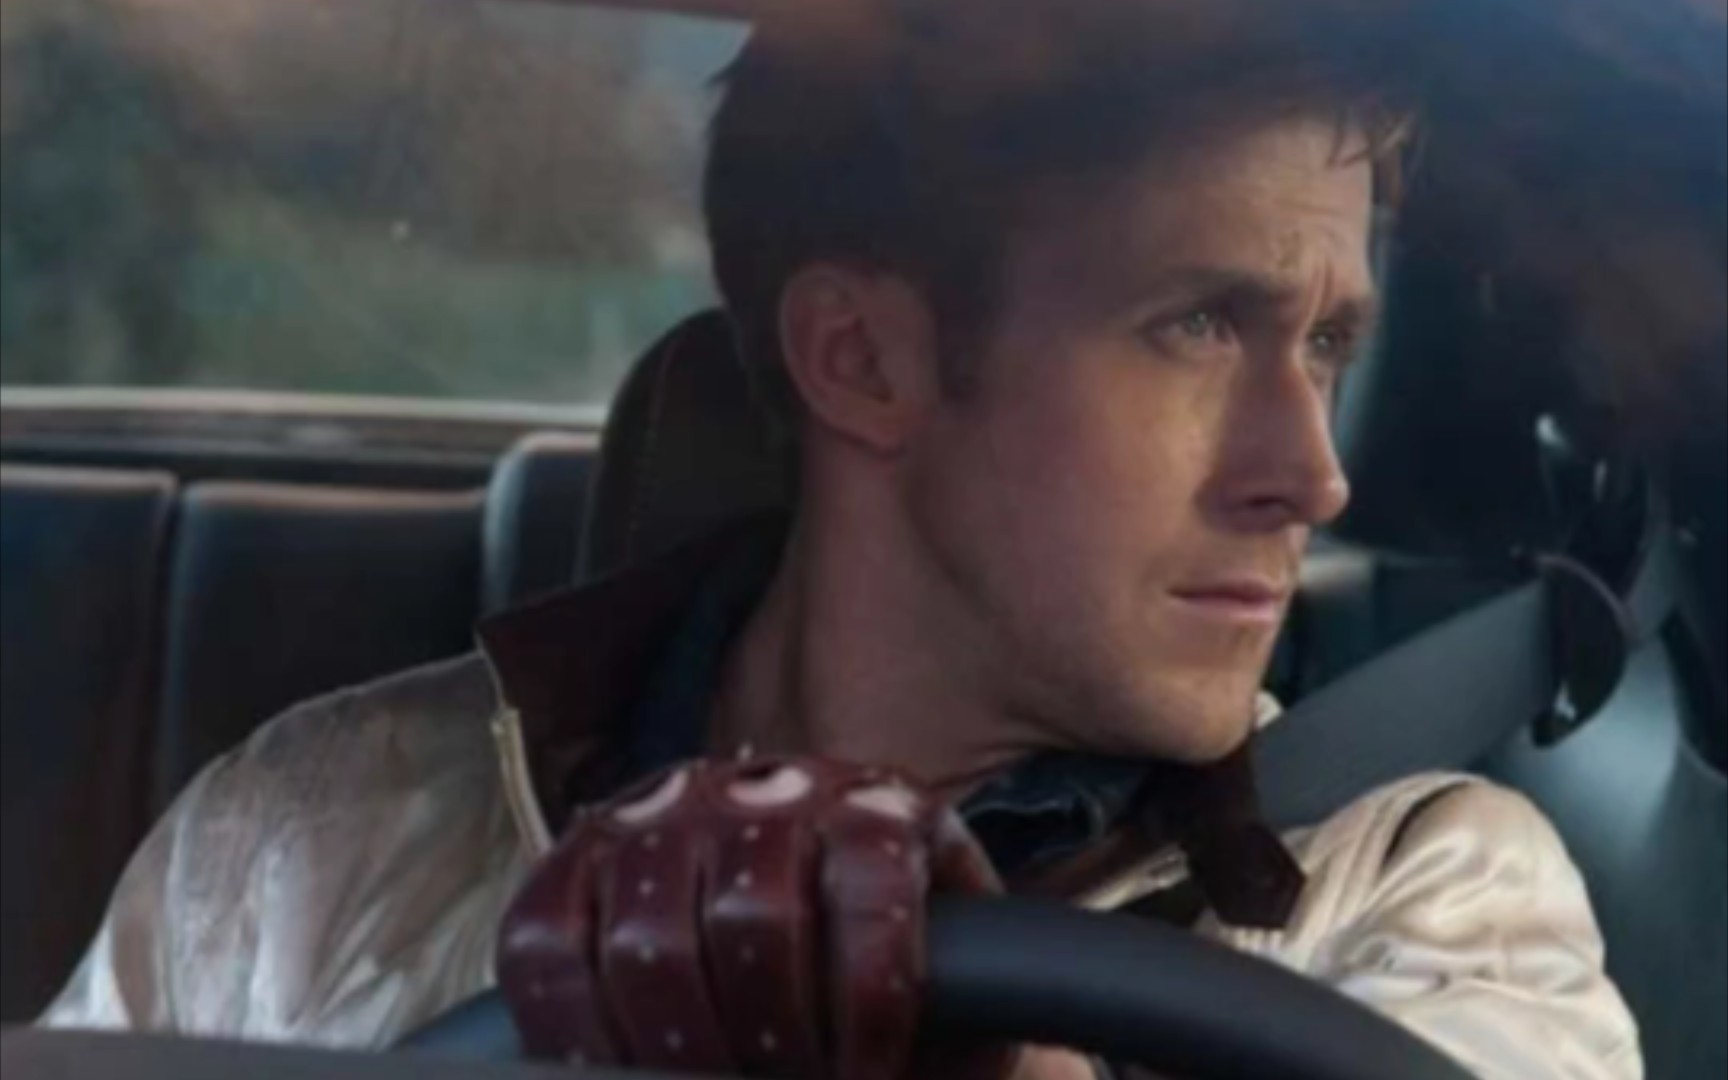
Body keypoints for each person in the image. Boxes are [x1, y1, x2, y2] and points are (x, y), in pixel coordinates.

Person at [44, 3, 1642, 1078]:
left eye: (1329, 347)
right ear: (863, 359)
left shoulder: (1432, 902)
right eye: (1201, 325)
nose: (1310, 474)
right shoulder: (304, 849)